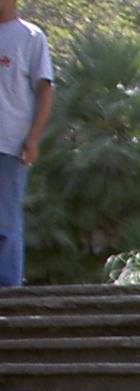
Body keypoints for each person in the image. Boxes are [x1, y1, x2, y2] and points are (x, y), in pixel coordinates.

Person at [0, 0, 54, 289]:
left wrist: (33, 138)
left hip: (9, 143)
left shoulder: (30, 37)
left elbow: (45, 89)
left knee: (4, 220)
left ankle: (8, 290)